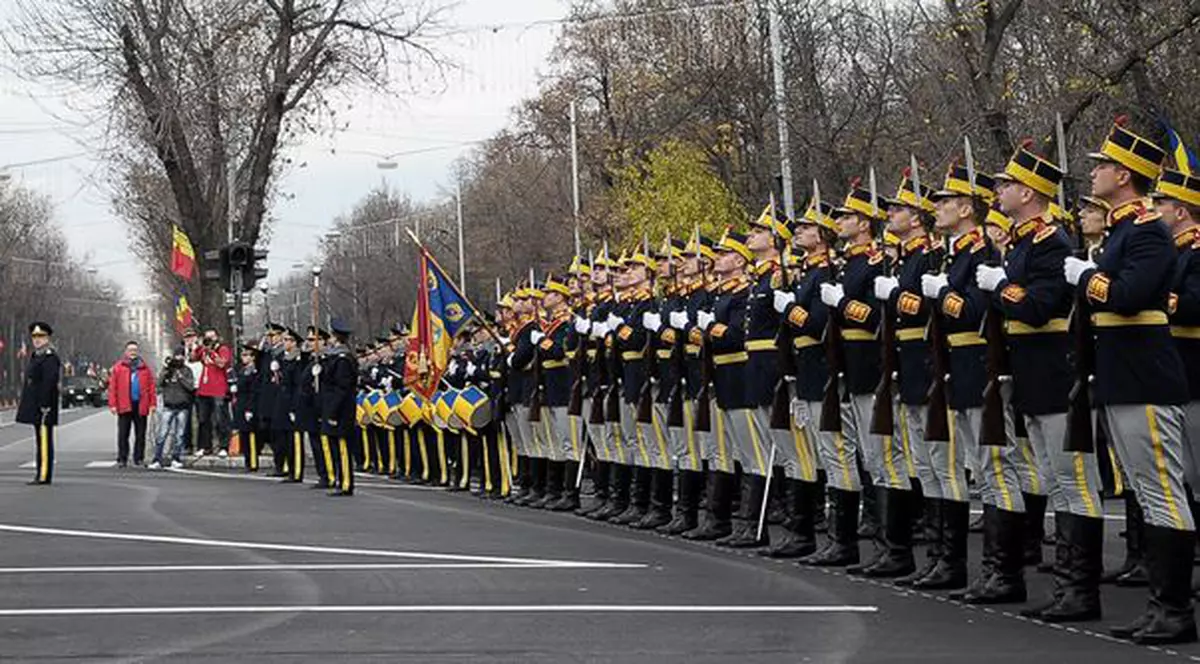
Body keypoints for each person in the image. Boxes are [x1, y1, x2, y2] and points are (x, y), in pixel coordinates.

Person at [1069, 119, 1195, 644]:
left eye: (1101, 166)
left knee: (1164, 492)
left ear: (1124, 175)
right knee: (1146, 490)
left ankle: (1175, 607)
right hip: (1122, 376)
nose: (1094, 172)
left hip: (1146, 376)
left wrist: (1087, 278)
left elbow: (1129, 295)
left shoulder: (1147, 232)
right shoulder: (1123, 231)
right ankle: (1158, 604)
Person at [16, 322, 60, 486]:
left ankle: (44, 474)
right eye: (34, 337)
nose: (37, 340)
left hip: (44, 407)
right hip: (36, 405)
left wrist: (45, 405)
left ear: (47, 338)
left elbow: (49, 382)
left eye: (40, 336)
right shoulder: (37, 356)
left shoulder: (50, 357)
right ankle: (40, 472)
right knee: (40, 440)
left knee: (44, 441)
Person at [108, 341, 156, 468]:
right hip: (124, 405)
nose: (132, 352)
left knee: (140, 434)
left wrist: (152, 404)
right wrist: (113, 404)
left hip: (141, 405)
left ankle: (138, 458)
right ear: (126, 352)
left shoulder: (145, 368)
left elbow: (151, 387)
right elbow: (113, 387)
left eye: (134, 349)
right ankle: (122, 458)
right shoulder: (119, 367)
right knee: (123, 434)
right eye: (130, 350)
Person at [151, 348, 195, 469]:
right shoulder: (167, 370)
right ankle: (157, 459)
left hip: (182, 407)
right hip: (168, 406)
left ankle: (176, 458)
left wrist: (180, 377)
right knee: (162, 434)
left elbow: (191, 387)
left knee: (179, 435)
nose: (179, 358)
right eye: (177, 356)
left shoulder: (187, 371)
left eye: (181, 356)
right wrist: (166, 373)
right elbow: (158, 385)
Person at [192, 327, 232, 457]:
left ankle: (224, 446)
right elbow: (193, 358)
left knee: (220, 419)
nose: (209, 340)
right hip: (204, 388)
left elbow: (222, 364)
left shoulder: (223, 349)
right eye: (207, 337)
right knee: (203, 419)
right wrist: (196, 346)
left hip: (218, 389)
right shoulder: (204, 349)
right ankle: (206, 447)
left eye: (212, 337)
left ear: (217, 337)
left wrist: (212, 353)